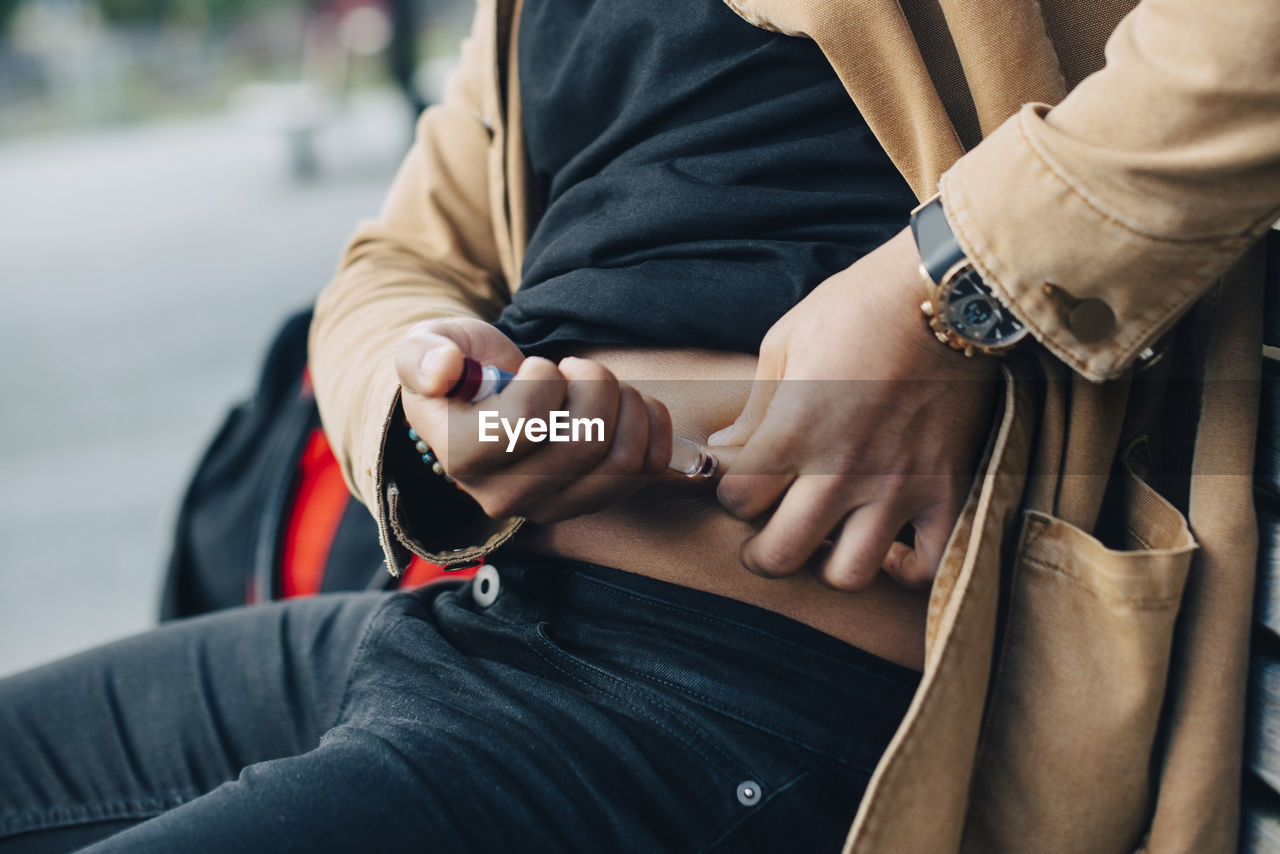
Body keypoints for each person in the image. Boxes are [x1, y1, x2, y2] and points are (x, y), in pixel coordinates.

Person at [0, 1, 1275, 853]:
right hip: (478, 619)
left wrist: (950, 285)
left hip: (743, 698)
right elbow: (393, 259)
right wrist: (430, 426)